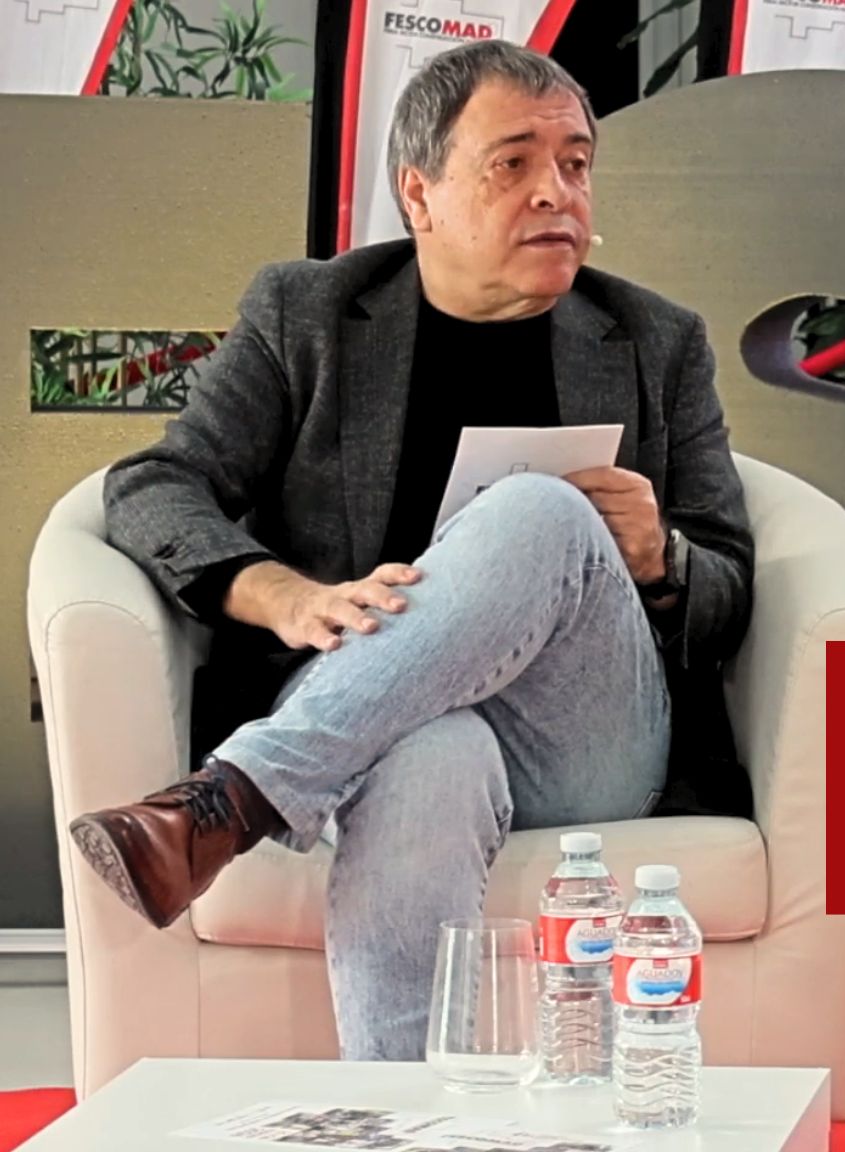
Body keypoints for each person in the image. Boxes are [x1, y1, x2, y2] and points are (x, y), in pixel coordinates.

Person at [66, 40, 754, 1060]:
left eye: (574, 163)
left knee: (543, 512)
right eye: (512, 163)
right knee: (429, 750)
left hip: (584, 740)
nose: (555, 192)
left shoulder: (655, 339)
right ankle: (406, 1107)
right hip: (381, 729)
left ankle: (234, 800)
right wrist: (281, 593)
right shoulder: (309, 316)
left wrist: (662, 559)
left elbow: (731, 586)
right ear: (419, 193)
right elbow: (155, 484)